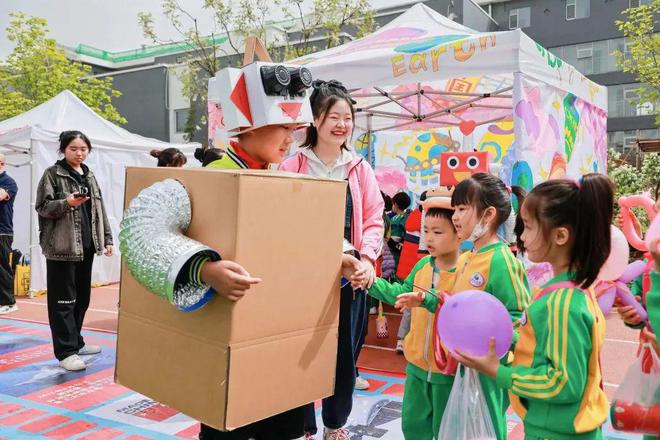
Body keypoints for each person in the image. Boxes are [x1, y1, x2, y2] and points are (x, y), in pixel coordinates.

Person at [456, 174, 613, 440]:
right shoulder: (562, 292)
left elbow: (563, 383)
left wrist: (499, 371)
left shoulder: (564, 303)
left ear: (560, 235)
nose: (522, 236)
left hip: (556, 432)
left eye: (528, 227)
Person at [280, 79, 384, 440]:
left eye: (347, 117)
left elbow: (373, 219)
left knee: (344, 355)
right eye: (333, 116)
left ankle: (334, 423)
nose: (342, 124)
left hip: (351, 276)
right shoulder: (291, 166)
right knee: (301, 352)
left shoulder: (359, 168)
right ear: (315, 120)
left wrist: (368, 259)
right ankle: (304, 424)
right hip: (303, 278)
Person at [400, 172, 530, 440]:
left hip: (486, 371)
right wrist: (428, 300)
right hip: (465, 369)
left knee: (487, 430)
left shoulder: (502, 261)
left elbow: (520, 320)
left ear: (488, 214)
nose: (455, 216)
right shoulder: (471, 256)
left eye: (461, 209)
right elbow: (460, 306)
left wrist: (492, 348)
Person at [368, 190, 460, 439]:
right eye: (426, 230)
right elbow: (399, 292)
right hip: (417, 369)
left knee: (447, 431)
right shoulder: (421, 265)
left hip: (449, 375)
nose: (428, 238)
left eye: (437, 232)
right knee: (413, 428)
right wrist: (369, 281)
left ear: (460, 231)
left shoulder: (468, 271)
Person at [35, 131, 114, 371]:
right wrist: (67, 203)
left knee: (82, 298)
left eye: (83, 149)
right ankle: (65, 352)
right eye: (73, 149)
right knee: (63, 301)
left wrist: (107, 238)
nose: (79, 153)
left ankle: (76, 342)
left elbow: (100, 209)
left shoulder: (88, 175)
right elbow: (42, 207)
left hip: (86, 247)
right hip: (61, 247)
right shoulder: (52, 174)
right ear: (63, 150)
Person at [0, 153, 18, 315]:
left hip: (2, 232)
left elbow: (1, 195)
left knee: (2, 267)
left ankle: (9, 302)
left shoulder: (8, 182)